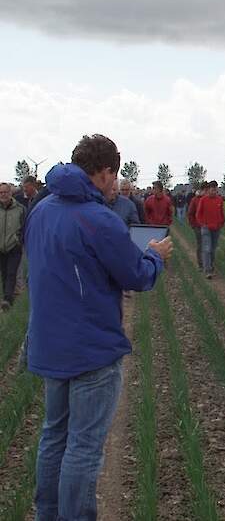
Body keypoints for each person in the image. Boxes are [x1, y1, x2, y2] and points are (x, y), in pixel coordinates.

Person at [25, 134, 171, 521]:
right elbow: (136, 276)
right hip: (90, 347)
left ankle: (47, 514)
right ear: (105, 172)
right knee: (84, 447)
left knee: (53, 436)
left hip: (48, 342)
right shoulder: (99, 219)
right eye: (114, 175)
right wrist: (155, 257)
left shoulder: (40, 210)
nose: (114, 182)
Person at [0, 182, 26, 311]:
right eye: (0, 192)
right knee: (4, 273)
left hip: (14, 246)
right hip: (0, 246)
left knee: (11, 273)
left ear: (10, 193)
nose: (3, 195)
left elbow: (24, 226)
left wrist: (19, 241)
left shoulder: (20, 209)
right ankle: (6, 297)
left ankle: (7, 299)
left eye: (5, 192)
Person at [196, 180, 225, 279]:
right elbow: (198, 214)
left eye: (215, 190)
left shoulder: (219, 200)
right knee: (207, 248)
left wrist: (221, 222)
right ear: (208, 190)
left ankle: (211, 266)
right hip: (206, 228)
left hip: (216, 228)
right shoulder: (203, 200)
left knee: (213, 249)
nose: (214, 192)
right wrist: (203, 224)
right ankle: (207, 270)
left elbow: (221, 213)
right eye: (212, 190)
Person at [187, 182, 205, 269]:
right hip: (198, 226)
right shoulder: (195, 200)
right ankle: (200, 263)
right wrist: (193, 225)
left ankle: (207, 262)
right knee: (200, 244)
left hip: (208, 226)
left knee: (208, 245)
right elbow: (190, 213)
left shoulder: (208, 199)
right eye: (205, 189)